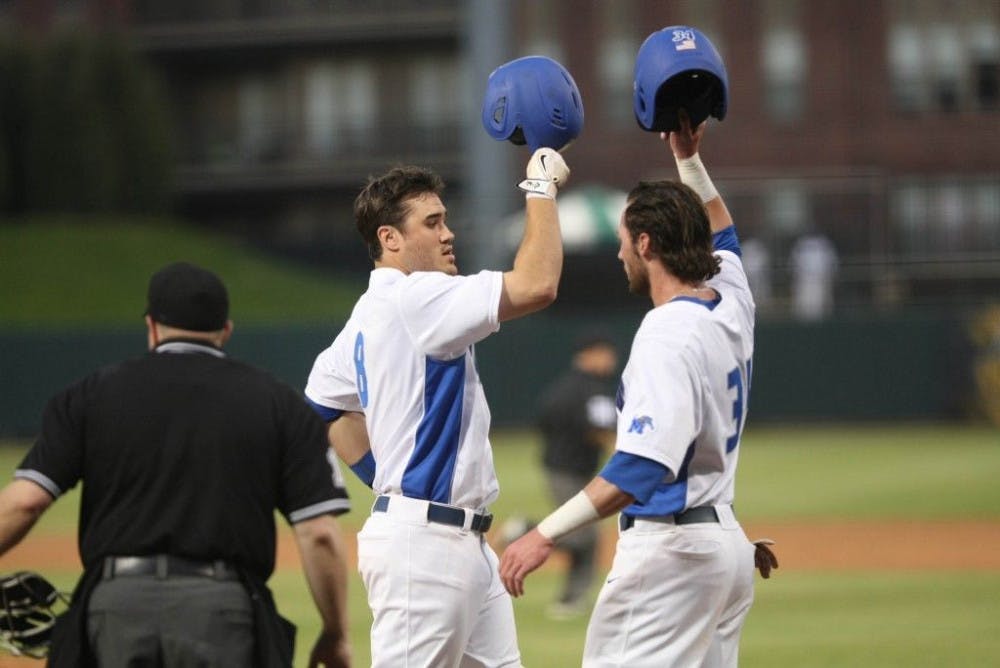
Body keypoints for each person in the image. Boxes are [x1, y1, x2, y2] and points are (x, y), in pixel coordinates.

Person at [499, 116, 777, 667]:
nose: (619, 253)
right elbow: (722, 232)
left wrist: (544, 534)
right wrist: (687, 157)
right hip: (721, 543)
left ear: (646, 243)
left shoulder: (666, 331)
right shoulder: (731, 301)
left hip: (670, 554)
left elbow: (642, 467)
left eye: (624, 241)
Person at [0, 261, 353, 668]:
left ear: (151, 327)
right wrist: (335, 633)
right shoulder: (280, 405)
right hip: (222, 613)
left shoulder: (88, 396)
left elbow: (26, 501)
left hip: (115, 608)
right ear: (226, 331)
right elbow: (319, 533)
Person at [303, 145, 570, 667]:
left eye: (444, 220)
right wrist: (540, 186)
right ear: (390, 238)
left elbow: (325, 404)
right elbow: (538, 284)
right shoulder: (416, 295)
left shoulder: (368, 312)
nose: (448, 234)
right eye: (432, 223)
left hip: (456, 544)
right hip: (422, 552)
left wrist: (387, 478)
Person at [536, 330, 618, 619]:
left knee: (587, 535)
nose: (611, 359)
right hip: (570, 472)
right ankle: (526, 532)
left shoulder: (563, 385)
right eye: (606, 353)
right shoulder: (591, 389)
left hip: (559, 466)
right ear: (590, 353)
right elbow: (600, 430)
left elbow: (543, 417)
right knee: (582, 536)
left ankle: (571, 599)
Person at [789, 228, 839, 321]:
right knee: (804, 313)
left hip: (821, 284)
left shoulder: (824, 244)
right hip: (804, 284)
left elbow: (832, 267)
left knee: (821, 313)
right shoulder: (801, 245)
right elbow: (794, 267)